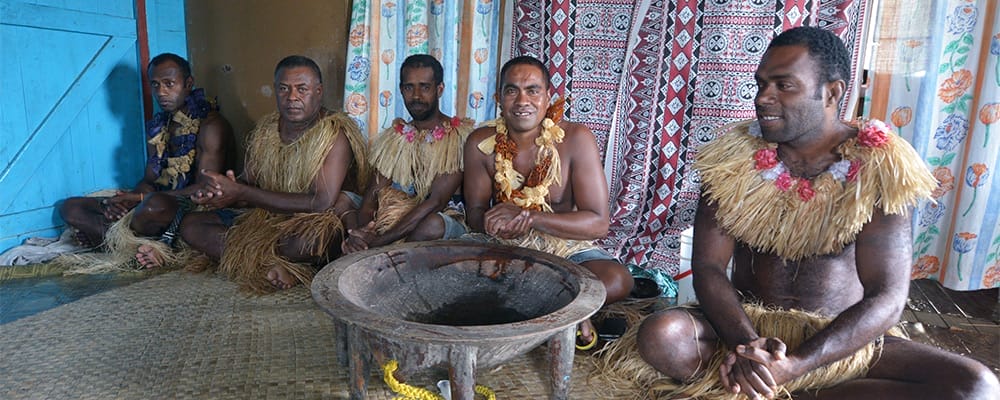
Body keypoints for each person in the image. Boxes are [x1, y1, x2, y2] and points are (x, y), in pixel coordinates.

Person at [624, 27, 999, 399]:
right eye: (761, 84)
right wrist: (748, 348)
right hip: (743, 331)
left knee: (976, 387)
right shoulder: (731, 161)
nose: (762, 98)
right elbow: (707, 267)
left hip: (838, 342)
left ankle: (769, 388)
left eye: (783, 86)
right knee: (663, 337)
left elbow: (887, 296)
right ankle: (769, 383)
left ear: (832, 93)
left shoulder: (878, 168)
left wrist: (798, 363)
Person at [463, 56, 634, 349]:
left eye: (532, 90)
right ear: (498, 98)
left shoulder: (575, 138)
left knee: (618, 279)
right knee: (455, 274)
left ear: (547, 98)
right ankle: (567, 309)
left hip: (565, 246)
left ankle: (545, 306)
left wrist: (531, 217)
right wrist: (493, 223)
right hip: (507, 248)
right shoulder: (481, 142)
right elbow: (474, 214)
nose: (522, 100)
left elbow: (598, 223)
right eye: (511, 90)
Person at [179, 55, 369, 293]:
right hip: (266, 219)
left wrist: (242, 191)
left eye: (302, 89)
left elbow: (321, 202)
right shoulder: (266, 129)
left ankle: (274, 264)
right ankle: (273, 266)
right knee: (191, 226)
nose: (292, 97)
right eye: (283, 89)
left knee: (309, 243)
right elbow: (248, 183)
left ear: (318, 92)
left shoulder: (334, 134)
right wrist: (222, 192)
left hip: (313, 222)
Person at [59, 52, 233, 269]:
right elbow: (149, 179)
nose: (161, 92)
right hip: (150, 202)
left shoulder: (211, 126)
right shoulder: (160, 125)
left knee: (153, 206)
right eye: (155, 85)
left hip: (189, 209)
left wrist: (140, 198)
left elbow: (204, 189)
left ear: (188, 84)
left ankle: (107, 240)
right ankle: (131, 246)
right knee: (71, 207)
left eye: (169, 84)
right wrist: (126, 202)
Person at [341, 54, 474, 253]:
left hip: (441, 220)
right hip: (392, 220)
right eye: (409, 87)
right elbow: (371, 196)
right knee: (343, 199)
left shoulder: (457, 137)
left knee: (431, 224)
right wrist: (364, 233)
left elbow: (435, 202)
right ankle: (359, 248)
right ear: (401, 90)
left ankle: (390, 259)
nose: (416, 96)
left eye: (425, 87)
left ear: (440, 89)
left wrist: (379, 241)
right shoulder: (395, 138)